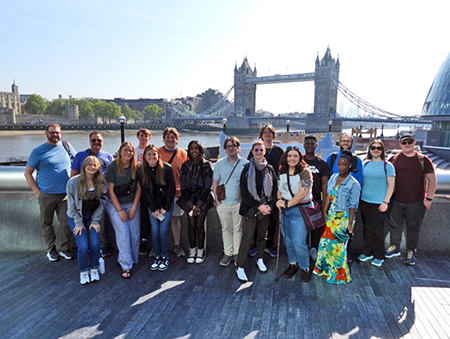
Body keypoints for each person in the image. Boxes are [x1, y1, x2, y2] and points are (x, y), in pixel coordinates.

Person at [24, 123, 76, 261]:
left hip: (65, 194)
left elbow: (78, 163)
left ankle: (63, 248)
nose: (55, 135)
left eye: (57, 132)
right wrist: (37, 192)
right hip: (46, 194)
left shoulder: (67, 146)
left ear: (61, 133)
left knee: (66, 222)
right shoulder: (38, 151)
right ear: (46, 134)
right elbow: (28, 173)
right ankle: (51, 248)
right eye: (52, 132)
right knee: (46, 222)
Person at [385, 134, 436, 266]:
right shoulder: (393, 159)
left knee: (413, 228)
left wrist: (429, 198)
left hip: (416, 201)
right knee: (395, 226)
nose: (407, 144)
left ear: (414, 143)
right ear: (400, 144)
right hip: (396, 200)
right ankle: (394, 247)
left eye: (410, 142)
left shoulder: (423, 160)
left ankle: (410, 252)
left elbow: (432, 180)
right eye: (404, 142)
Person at [314, 150, 360, 284]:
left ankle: (338, 275)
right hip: (332, 217)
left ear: (350, 165)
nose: (341, 167)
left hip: (343, 218)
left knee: (339, 247)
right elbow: (328, 195)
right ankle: (325, 269)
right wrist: (325, 210)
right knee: (325, 244)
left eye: (344, 165)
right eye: (339, 164)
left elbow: (353, 206)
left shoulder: (354, 184)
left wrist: (350, 224)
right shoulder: (334, 177)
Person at [236, 141, 277, 282]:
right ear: (252, 152)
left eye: (261, 150)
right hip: (251, 209)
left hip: (265, 209)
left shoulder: (270, 169)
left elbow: (275, 191)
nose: (259, 152)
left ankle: (260, 258)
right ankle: (240, 266)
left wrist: (269, 206)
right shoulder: (246, 169)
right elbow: (244, 191)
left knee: (262, 236)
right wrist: (258, 206)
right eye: (256, 150)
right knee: (247, 237)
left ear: (264, 152)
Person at [70, 131, 114, 258]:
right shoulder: (80, 155)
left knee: (101, 221)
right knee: (84, 220)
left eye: (99, 140)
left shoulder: (108, 156)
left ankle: (103, 246)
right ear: (89, 142)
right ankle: (86, 247)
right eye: (93, 140)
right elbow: (73, 175)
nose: (96, 143)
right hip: (84, 196)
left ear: (103, 141)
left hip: (101, 196)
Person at [67, 156, 107, 285]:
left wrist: (95, 220)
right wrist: (78, 223)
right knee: (83, 246)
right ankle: (83, 271)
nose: (91, 167)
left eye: (94, 165)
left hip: (92, 216)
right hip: (76, 217)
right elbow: (71, 205)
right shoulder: (73, 182)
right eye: (89, 165)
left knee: (95, 244)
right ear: (83, 166)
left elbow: (102, 202)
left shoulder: (101, 182)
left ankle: (94, 268)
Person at [275, 146, 313, 282]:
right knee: (288, 240)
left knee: (298, 241)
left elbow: (303, 193)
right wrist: (279, 200)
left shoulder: (305, 172)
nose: (292, 158)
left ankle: (305, 267)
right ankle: (293, 264)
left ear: (299, 157)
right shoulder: (282, 171)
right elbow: (279, 189)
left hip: (300, 210)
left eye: (295, 156)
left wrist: (286, 204)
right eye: (289, 156)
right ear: (285, 157)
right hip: (285, 210)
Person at [104, 142, 141, 279]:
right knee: (123, 233)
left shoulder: (136, 167)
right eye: (125, 150)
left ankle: (133, 258)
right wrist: (119, 210)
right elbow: (110, 191)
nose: (128, 153)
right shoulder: (112, 167)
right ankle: (125, 265)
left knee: (134, 232)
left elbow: (138, 188)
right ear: (120, 151)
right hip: (115, 204)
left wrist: (134, 207)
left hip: (131, 202)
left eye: (131, 151)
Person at [247, 124, 284, 257]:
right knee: (257, 218)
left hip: (274, 190)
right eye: (265, 132)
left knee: (273, 220)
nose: (268, 134)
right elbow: (248, 169)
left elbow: (284, 169)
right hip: (257, 191)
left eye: (270, 132)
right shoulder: (256, 149)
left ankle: (270, 245)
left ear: (273, 135)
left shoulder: (279, 151)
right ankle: (255, 245)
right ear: (261, 135)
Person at [357, 140, 395, 267]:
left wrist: (386, 202)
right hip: (365, 201)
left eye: (379, 148)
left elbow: (391, 186)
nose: (376, 150)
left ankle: (379, 255)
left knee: (378, 230)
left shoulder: (387, 166)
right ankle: (367, 252)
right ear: (370, 149)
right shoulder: (365, 164)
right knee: (367, 229)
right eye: (373, 147)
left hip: (379, 203)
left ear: (382, 150)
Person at [212, 136, 249, 266]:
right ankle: (228, 253)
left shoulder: (246, 163)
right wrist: (217, 201)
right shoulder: (219, 164)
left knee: (238, 229)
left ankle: (237, 254)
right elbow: (215, 183)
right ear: (225, 149)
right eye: (228, 146)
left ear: (238, 148)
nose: (231, 148)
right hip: (223, 203)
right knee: (226, 229)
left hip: (239, 202)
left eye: (233, 146)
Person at [139, 145, 175, 271]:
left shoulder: (167, 169)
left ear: (158, 156)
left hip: (166, 205)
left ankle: (165, 256)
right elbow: (146, 192)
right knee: (154, 231)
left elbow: (171, 190)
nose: (151, 157)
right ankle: (158, 256)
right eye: (148, 154)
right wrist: (153, 209)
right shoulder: (142, 171)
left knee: (163, 230)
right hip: (152, 205)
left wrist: (164, 208)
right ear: (145, 157)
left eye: (154, 154)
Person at [178, 141, 214, 264]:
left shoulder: (206, 165)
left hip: (203, 200)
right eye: (191, 148)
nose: (194, 151)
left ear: (200, 150)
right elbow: (183, 187)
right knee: (191, 225)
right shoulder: (185, 166)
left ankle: (200, 251)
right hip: (189, 200)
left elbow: (207, 186)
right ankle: (192, 250)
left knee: (199, 224)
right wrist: (191, 205)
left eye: (196, 149)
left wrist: (198, 205)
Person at [158, 127, 189, 258]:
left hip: (177, 193)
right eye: (168, 137)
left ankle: (177, 246)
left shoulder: (183, 154)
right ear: (163, 139)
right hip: (161, 194)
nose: (170, 140)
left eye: (173, 137)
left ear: (177, 140)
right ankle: (157, 246)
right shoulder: (157, 152)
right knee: (159, 220)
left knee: (175, 219)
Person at [303, 134, 329, 261]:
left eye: (312, 143)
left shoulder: (322, 163)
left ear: (316, 145)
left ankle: (314, 248)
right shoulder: (299, 161)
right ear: (304, 145)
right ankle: (302, 250)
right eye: (307, 143)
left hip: (316, 200)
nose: (309, 146)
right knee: (301, 228)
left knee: (316, 227)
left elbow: (324, 183)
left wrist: (324, 201)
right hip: (301, 200)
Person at [134, 128, 152, 256]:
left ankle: (146, 240)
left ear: (149, 138)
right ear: (137, 137)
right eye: (141, 135)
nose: (143, 138)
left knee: (147, 216)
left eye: (146, 136)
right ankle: (139, 240)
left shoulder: (152, 151)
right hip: (135, 188)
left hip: (148, 189)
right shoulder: (133, 152)